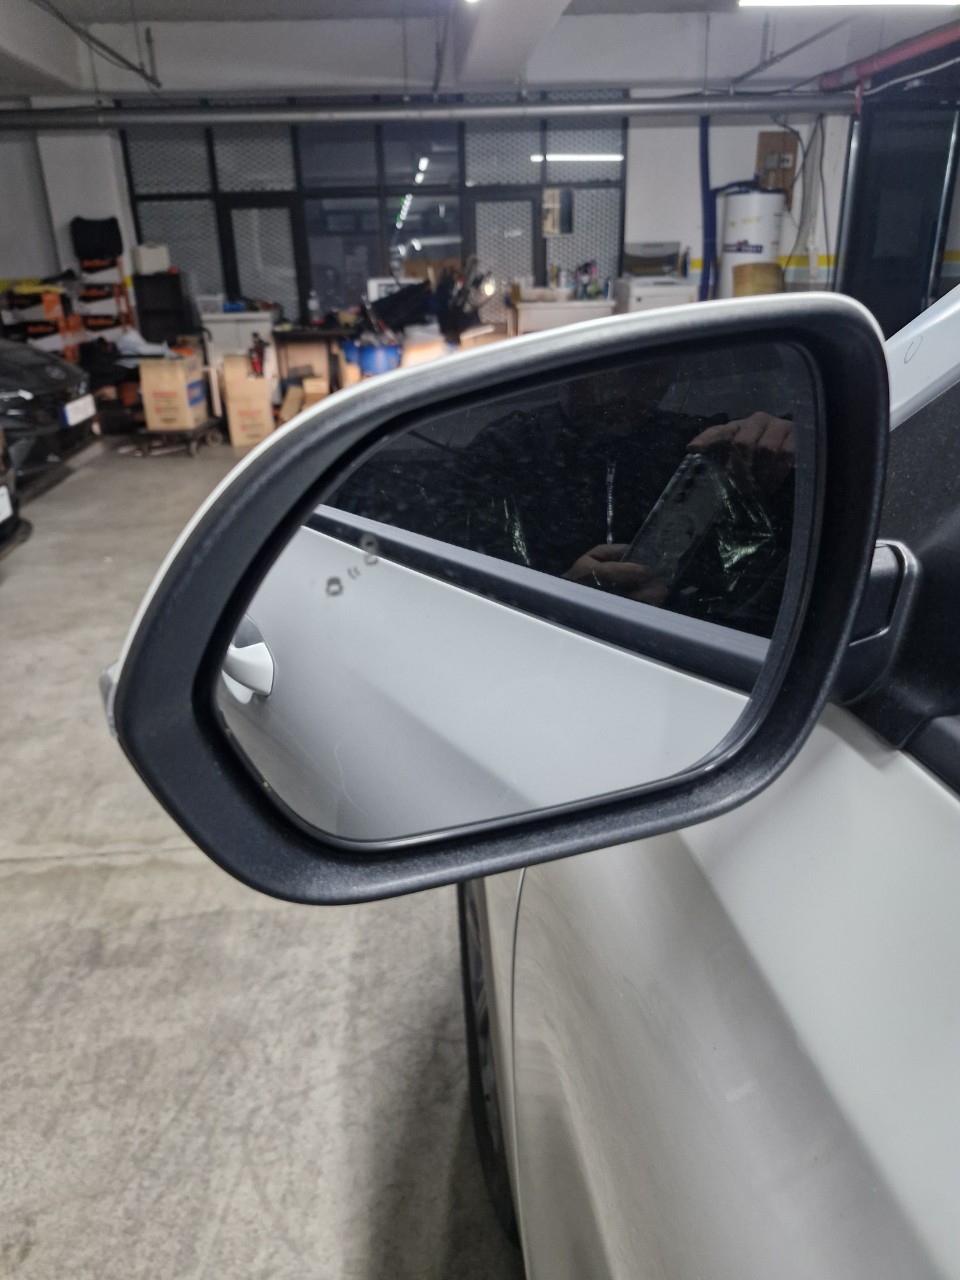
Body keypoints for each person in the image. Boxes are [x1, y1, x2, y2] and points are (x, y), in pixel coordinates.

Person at [330, 357, 797, 637]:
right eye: (603, 372)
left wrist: (781, 455)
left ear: (668, 376)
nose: (620, 389)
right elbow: (456, 594)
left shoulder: (706, 446)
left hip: (686, 666)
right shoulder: (507, 450)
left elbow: (764, 582)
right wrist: (563, 595)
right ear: (567, 374)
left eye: (646, 371)